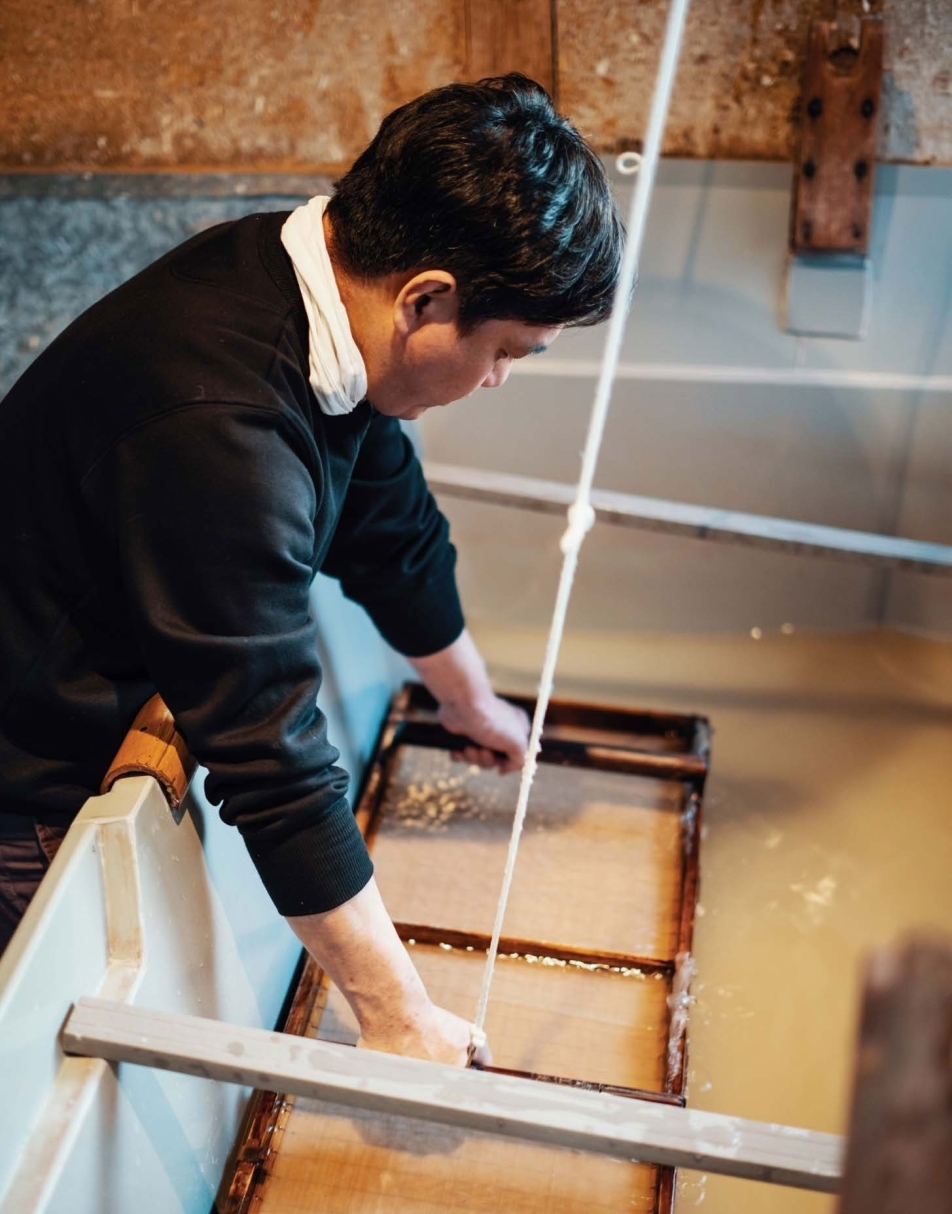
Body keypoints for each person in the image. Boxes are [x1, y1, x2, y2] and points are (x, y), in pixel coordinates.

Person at [0, 74, 622, 1063]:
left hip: (102, 651)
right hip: (30, 758)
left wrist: (469, 701)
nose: (498, 379)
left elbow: (390, 528)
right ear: (427, 300)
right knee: (36, 1040)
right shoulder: (220, 423)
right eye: (506, 350)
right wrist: (398, 1013)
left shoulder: (308, 281)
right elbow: (270, 751)